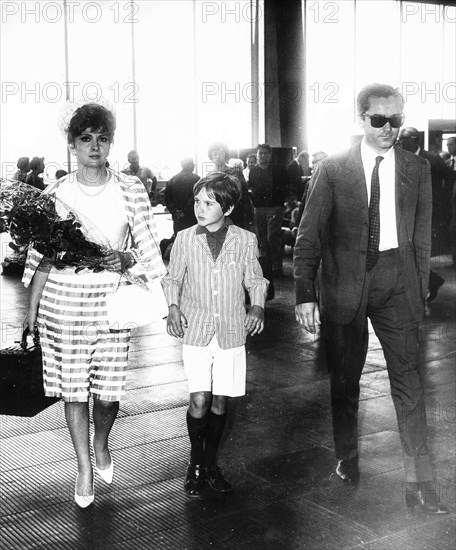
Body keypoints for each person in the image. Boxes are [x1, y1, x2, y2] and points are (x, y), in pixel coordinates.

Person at [294, 83, 448, 514]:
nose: (388, 128)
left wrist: (418, 292)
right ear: (360, 119)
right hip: (345, 285)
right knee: (345, 382)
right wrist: (305, 294)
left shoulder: (416, 169)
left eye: (396, 120)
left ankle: (419, 480)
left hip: (397, 282)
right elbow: (308, 236)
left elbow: (420, 237)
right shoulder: (333, 170)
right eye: (378, 120)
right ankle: (347, 456)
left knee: (410, 382)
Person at [23, 102, 166, 508]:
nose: (94, 146)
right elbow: (41, 260)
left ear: (111, 143)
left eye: (102, 138)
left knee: (107, 393)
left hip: (112, 303)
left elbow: (147, 245)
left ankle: (102, 443)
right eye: (85, 139)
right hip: (62, 304)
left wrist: (128, 261)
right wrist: (31, 316)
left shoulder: (130, 188)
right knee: (73, 391)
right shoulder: (55, 194)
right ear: (72, 145)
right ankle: (84, 468)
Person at [162, 172, 268, 498]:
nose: (200, 207)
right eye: (197, 201)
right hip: (194, 329)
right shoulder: (183, 238)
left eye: (209, 202)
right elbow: (172, 279)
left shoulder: (245, 239)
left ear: (229, 206)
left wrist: (258, 307)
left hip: (233, 330)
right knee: (199, 398)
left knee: (220, 401)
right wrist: (174, 308)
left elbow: (255, 280)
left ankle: (210, 464)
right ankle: (195, 463)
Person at [397, 127, 455, 300]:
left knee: (418, 251)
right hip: (408, 212)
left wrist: (442, 200)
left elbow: (450, 176)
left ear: (414, 140)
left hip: (430, 214)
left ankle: (428, 283)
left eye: (403, 139)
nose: (399, 142)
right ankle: (432, 281)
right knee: (409, 251)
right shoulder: (400, 159)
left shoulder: (432, 158)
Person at [248, 143, 289, 284]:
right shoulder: (253, 171)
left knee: (273, 237)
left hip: (275, 208)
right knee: (262, 238)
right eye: (260, 154)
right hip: (259, 208)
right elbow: (251, 188)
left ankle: (277, 266)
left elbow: (286, 187)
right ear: (257, 155)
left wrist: (282, 204)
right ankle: (265, 267)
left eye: (266, 154)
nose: (263, 156)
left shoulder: (279, 170)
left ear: (270, 155)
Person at [207, 142, 255, 232]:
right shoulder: (209, 176)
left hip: (236, 213)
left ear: (226, 155)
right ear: (211, 157)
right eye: (215, 154)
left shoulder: (235, 172)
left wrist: (248, 215)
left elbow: (244, 194)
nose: (218, 157)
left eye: (221, 153)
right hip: (217, 214)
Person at [164, 157, 200, 235]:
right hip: (193, 217)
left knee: (179, 241)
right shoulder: (197, 180)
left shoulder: (172, 180)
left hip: (178, 219)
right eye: (193, 164)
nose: (194, 165)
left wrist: (176, 211)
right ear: (189, 165)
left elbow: (167, 199)